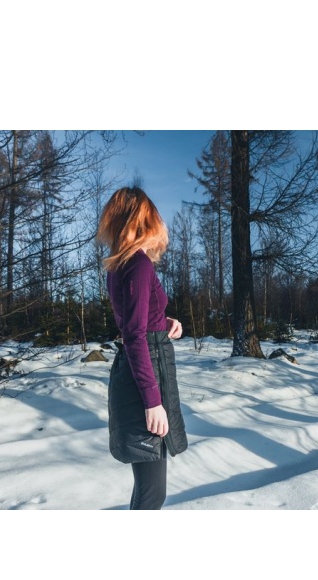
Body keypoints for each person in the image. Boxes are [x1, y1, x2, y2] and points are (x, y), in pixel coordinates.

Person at [97, 186, 188, 510]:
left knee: (148, 490)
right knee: (152, 493)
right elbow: (134, 335)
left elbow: (137, 321)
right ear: (144, 221)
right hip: (145, 377)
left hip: (142, 368)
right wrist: (152, 402)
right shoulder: (137, 264)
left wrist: (165, 321)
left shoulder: (121, 264)